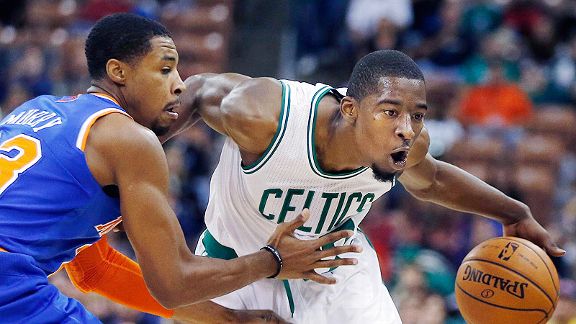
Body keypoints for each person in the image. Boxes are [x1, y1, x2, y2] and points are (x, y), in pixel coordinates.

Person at [0, 13, 361, 323]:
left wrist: (227, 319)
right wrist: (274, 261)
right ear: (118, 72)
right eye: (165, 69)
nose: (179, 85)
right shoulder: (128, 138)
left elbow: (95, 270)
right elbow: (174, 282)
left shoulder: (38, 111)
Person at [163, 49, 566, 323]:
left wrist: (514, 212)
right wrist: (130, 156)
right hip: (237, 268)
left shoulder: (407, 144)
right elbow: (197, 90)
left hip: (337, 271)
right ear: (351, 110)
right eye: (389, 112)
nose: (406, 130)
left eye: (417, 116)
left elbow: (434, 180)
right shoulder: (266, 115)